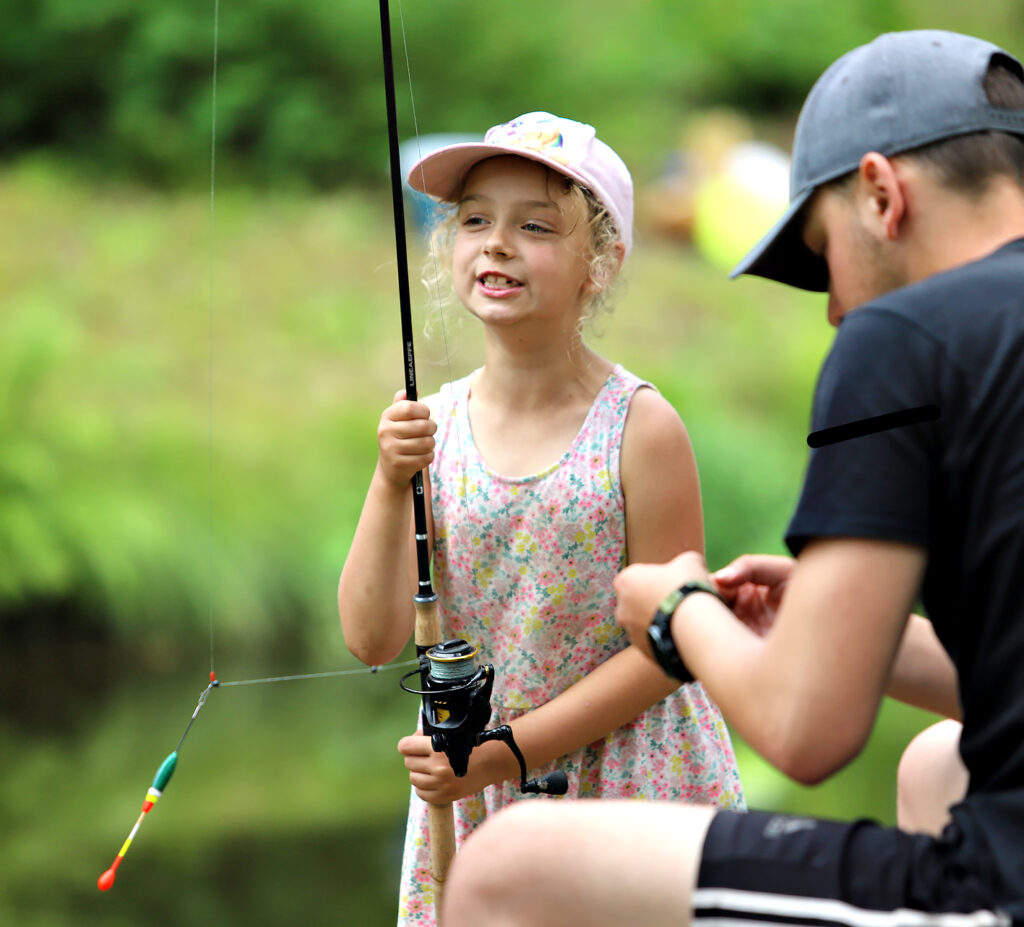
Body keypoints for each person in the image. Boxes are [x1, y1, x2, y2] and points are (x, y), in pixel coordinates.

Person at [439, 31, 1024, 927]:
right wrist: (847, 625)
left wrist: (682, 612)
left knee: (502, 868)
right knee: (938, 761)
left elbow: (805, 729)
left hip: (1001, 885)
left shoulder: (903, 340)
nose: (834, 309)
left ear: (881, 194)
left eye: (825, 255)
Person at [337, 111, 744, 926]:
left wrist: (507, 753)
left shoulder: (641, 427)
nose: (496, 244)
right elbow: (371, 638)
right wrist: (389, 482)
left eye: (535, 226)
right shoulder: (432, 428)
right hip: (479, 800)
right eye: (476, 220)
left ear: (602, 261)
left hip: (634, 788)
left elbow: (670, 650)